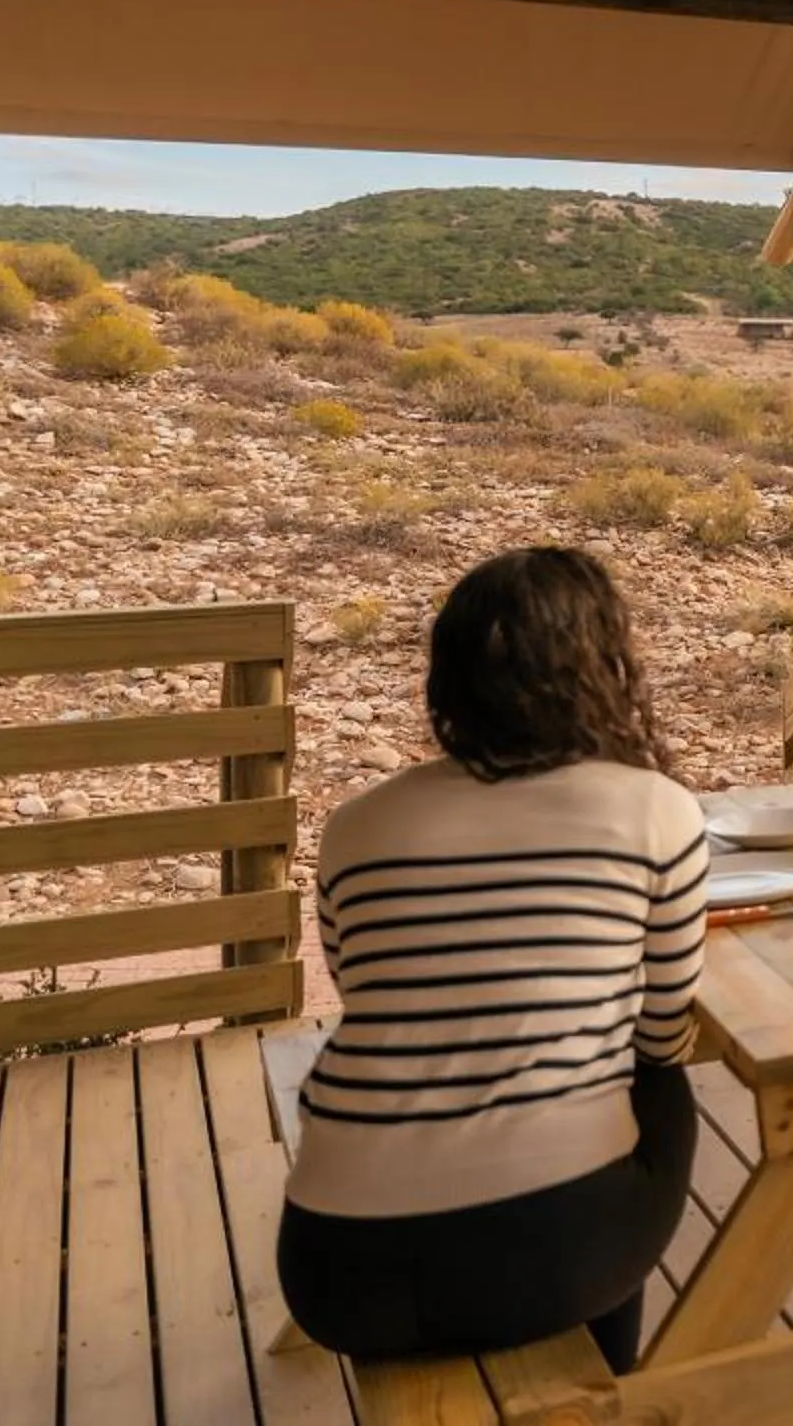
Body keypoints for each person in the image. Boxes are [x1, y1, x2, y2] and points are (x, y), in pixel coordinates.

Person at [278, 547, 706, 1374]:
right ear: (605, 666)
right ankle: (603, 1382)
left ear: (449, 678)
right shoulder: (657, 810)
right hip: (548, 1258)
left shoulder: (357, 825)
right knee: (657, 1083)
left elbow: (366, 989)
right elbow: (662, 1036)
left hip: (335, 1268)